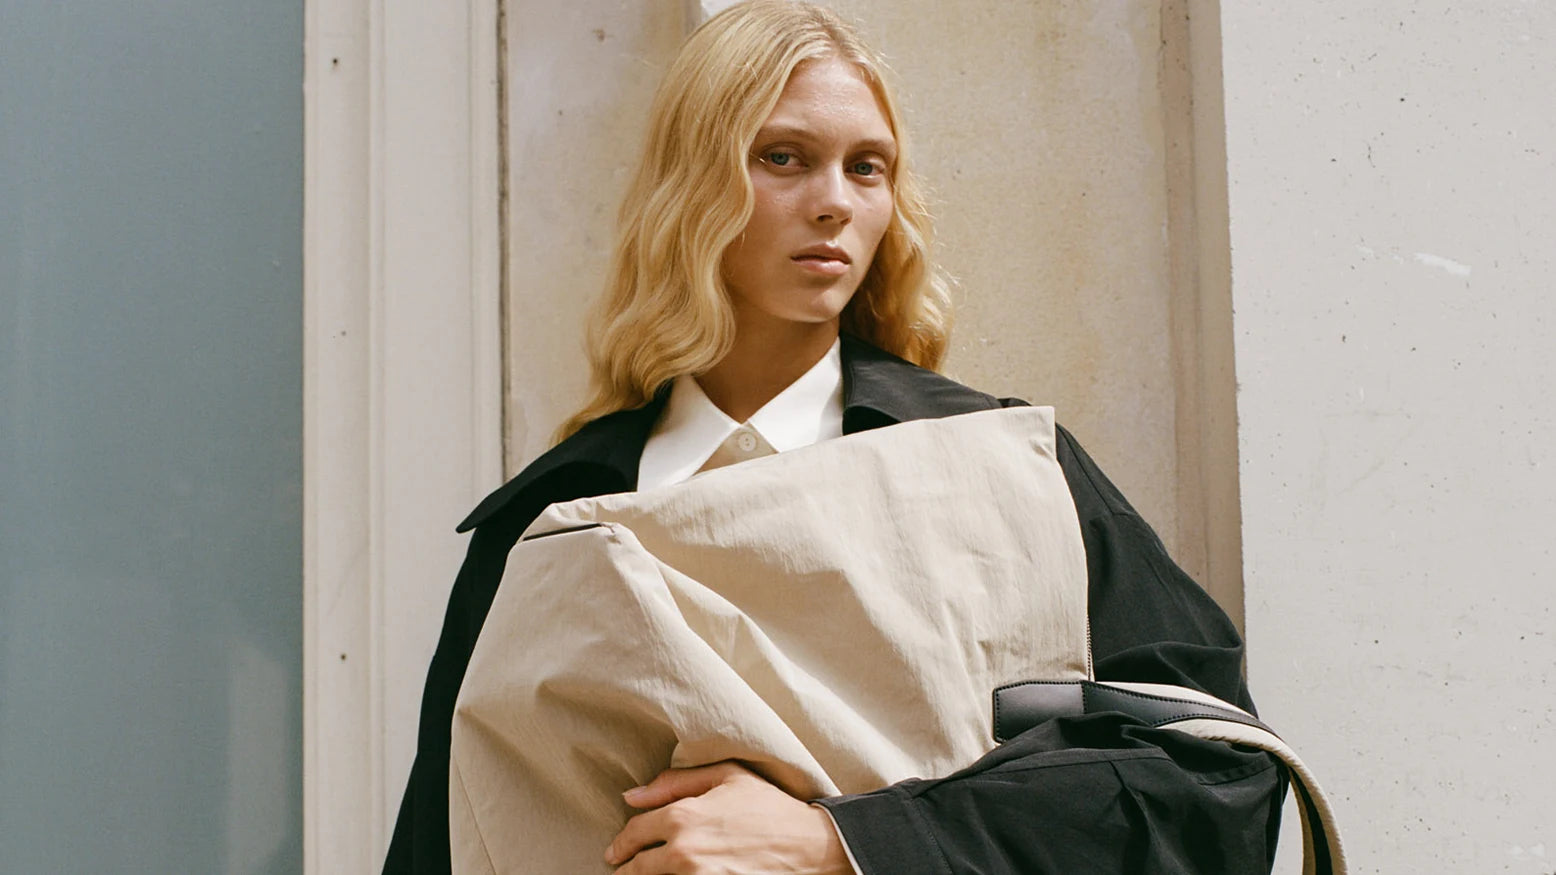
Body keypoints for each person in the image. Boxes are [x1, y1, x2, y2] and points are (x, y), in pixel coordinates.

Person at [385, 2, 1284, 873]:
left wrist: (845, 844)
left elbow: (1215, 774)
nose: (833, 203)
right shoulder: (554, 523)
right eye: (784, 158)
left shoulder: (1000, 471)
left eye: (867, 168)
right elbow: (450, 839)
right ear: (693, 181)